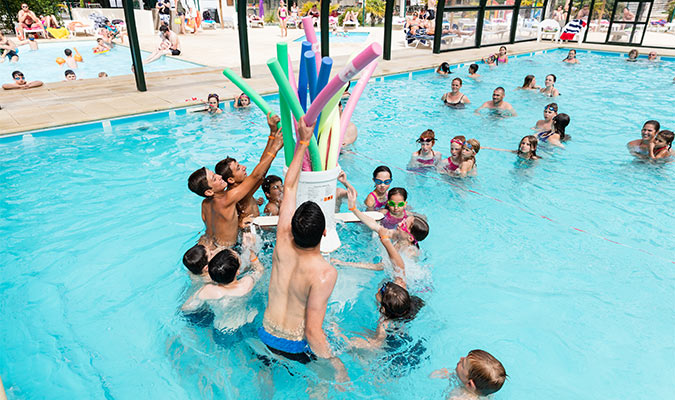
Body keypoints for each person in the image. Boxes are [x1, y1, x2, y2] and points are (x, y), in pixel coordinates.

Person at [259, 116, 348, 381]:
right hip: (295, 345)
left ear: (292, 228)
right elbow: (312, 332)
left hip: (265, 334)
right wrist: (335, 365)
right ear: (324, 232)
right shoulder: (324, 273)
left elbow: (289, 186)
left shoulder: (282, 241)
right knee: (321, 386)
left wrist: (303, 142)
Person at [188, 113, 283, 253]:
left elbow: (218, 225)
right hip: (226, 251)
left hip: (208, 245)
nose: (220, 176)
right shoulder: (229, 197)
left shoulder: (205, 204)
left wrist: (272, 134)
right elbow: (258, 174)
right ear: (208, 192)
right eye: (214, 178)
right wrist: (274, 148)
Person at [182, 235, 265, 332]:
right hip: (246, 322)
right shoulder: (246, 283)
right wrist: (251, 253)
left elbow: (186, 307)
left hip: (222, 329)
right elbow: (259, 270)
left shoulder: (208, 290)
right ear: (237, 272)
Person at [430, 349, 507, 399]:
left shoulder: (459, 397)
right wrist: (450, 374)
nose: (461, 358)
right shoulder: (484, 390)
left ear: (470, 384)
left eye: (462, 365)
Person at [215, 156, 265, 228]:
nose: (244, 167)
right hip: (247, 232)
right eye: (238, 168)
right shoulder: (235, 195)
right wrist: (239, 224)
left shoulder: (242, 190)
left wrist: (256, 201)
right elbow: (260, 176)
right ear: (231, 180)